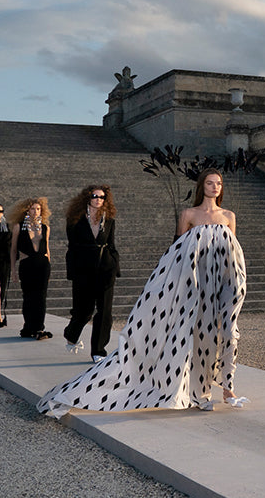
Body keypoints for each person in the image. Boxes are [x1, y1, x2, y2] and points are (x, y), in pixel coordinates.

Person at [38, 171, 247, 418]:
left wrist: (232, 287)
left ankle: (224, 388)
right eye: (210, 183)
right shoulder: (188, 215)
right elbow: (176, 254)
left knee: (220, 333)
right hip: (191, 285)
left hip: (218, 286)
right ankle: (197, 392)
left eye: (219, 183)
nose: (215, 187)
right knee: (190, 335)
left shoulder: (228, 216)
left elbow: (232, 256)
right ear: (202, 186)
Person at [61, 185, 121, 361]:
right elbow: (71, 248)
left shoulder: (109, 220)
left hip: (105, 269)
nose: (98, 199)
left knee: (105, 312)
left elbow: (111, 244)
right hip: (83, 270)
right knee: (83, 311)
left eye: (102, 197)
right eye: (95, 196)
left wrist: (115, 266)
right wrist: (72, 271)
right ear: (87, 198)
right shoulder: (75, 219)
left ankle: (98, 351)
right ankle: (71, 333)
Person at [10, 196, 54, 340]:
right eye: (33, 209)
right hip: (27, 264)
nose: (36, 212)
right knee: (28, 297)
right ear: (26, 210)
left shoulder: (45, 228)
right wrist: (13, 271)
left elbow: (47, 249)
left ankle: (39, 328)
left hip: (43, 265)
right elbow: (13, 250)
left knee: (41, 297)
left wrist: (49, 267)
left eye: (38, 209)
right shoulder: (18, 226)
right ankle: (29, 326)